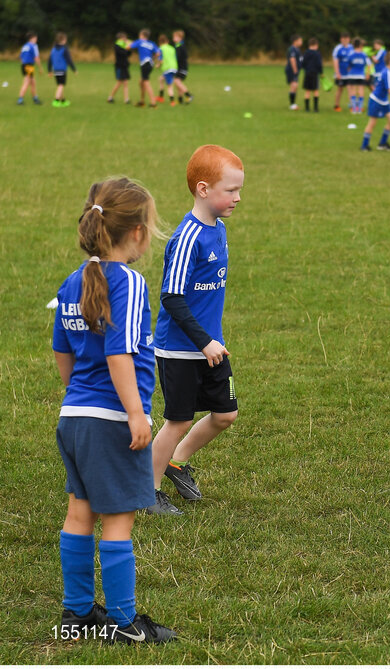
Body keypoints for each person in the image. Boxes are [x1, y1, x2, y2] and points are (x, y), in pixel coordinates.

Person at [53, 176, 176, 643]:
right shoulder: (128, 281)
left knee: (79, 513)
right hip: (112, 422)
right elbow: (119, 354)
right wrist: (135, 414)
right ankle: (125, 625)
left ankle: (78, 616)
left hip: (75, 418)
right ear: (139, 233)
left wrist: (78, 397)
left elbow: (62, 351)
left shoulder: (74, 279)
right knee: (119, 519)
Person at [148, 145, 244, 516]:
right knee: (178, 420)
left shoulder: (219, 229)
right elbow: (171, 297)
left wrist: (211, 340)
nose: (237, 198)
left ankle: (176, 462)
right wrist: (203, 341)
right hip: (180, 349)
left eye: (238, 190)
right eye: (230, 190)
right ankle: (149, 489)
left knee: (225, 414)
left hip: (210, 346)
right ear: (203, 190)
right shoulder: (188, 237)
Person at [128, 29, 159, 108]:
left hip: (144, 63)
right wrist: (152, 58)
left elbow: (128, 47)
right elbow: (158, 53)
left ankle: (153, 103)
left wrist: (127, 42)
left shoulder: (140, 41)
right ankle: (142, 101)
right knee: (141, 82)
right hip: (150, 63)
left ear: (142, 35)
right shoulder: (152, 43)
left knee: (146, 82)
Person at [47, 32, 76, 108]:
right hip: (62, 70)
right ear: (63, 40)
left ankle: (63, 101)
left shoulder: (53, 49)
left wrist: (49, 71)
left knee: (60, 85)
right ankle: (56, 101)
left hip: (55, 70)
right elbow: (69, 60)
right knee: (61, 85)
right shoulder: (64, 49)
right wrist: (74, 69)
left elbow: (50, 60)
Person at [346, 38, 372, 114]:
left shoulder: (351, 54)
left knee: (353, 90)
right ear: (360, 45)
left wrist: (349, 70)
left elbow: (348, 65)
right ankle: (359, 109)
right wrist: (367, 74)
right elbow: (369, 65)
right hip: (361, 75)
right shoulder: (364, 55)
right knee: (361, 90)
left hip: (352, 75)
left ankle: (354, 109)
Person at [17, 32, 42, 105]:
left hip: (24, 65)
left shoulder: (25, 46)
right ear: (32, 38)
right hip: (29, 66)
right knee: (27, 82)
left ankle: (35, 98)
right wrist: (40, 68)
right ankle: (20, 99)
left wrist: (24, 64)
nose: (36, 39)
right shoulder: (33, 46)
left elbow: (21, 57)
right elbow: (36, 57)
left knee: (33, 82)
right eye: (36, 38)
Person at [108, 33, 132, 104]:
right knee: (119, 82)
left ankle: (126, 99)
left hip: (124, 66)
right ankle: (110, 97)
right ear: (120, 38)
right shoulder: (117, 46)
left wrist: (128, 48)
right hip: (120, 66)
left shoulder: (123, 46)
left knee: (125, 83)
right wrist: (127, 47)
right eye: (124, 38)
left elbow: (128, 54)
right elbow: (123, 53)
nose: (125, 40)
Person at [331, 33, 352, 112]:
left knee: (350, 89)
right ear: (341, 39)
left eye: (346, 39)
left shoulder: (351, 48)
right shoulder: (338, 48)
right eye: (343, 39)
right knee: (340, 89)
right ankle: (336, 105)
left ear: (349, 39)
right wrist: (337, 73)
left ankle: (352, 106)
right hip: (341, 73)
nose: (345, 40)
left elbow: (352, 60)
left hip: (349, 74)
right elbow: (335, 61)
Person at [301, 38, 322, 112]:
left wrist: (306, 69)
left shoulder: (306, 53)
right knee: (316, 90)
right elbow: (319, 64)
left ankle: (307, 108)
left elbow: (303, 63)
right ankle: (315, 108)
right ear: (316, 45)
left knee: (307, 91)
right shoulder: (317, 53)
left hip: (307, 73)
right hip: (315, 74)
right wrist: (321, 72)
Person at [172, 30, 192, 105]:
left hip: (182, 68)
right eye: (173, 37)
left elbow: (178, 57)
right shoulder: (177, 46)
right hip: (179, 68)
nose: (173, 38)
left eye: (175, 37)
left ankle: (189, 95)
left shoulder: (181, 46)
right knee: (178, 82)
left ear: (180, 38)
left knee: (177, 82)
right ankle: (180, 100)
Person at [156, 35, 177, 105]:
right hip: (174, 67)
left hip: (168, 69)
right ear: (167, 41)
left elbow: (160, 60)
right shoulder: (172, 48)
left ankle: (172, 101)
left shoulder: (161, 48)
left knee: (169, 86)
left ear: (160, 42)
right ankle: (161, 97)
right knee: (161, 79)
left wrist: (158, 65)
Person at [285, 35, 302, 110]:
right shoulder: (292, 49)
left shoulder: (297, 49)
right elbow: (292, 60)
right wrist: (295, 70)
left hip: (295, 70)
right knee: (294, 85)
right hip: (291, 70)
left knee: (295, 86)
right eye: (300, 40)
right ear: (295, 41)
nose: (301, 42)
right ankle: (292, 105)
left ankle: (294, 104)